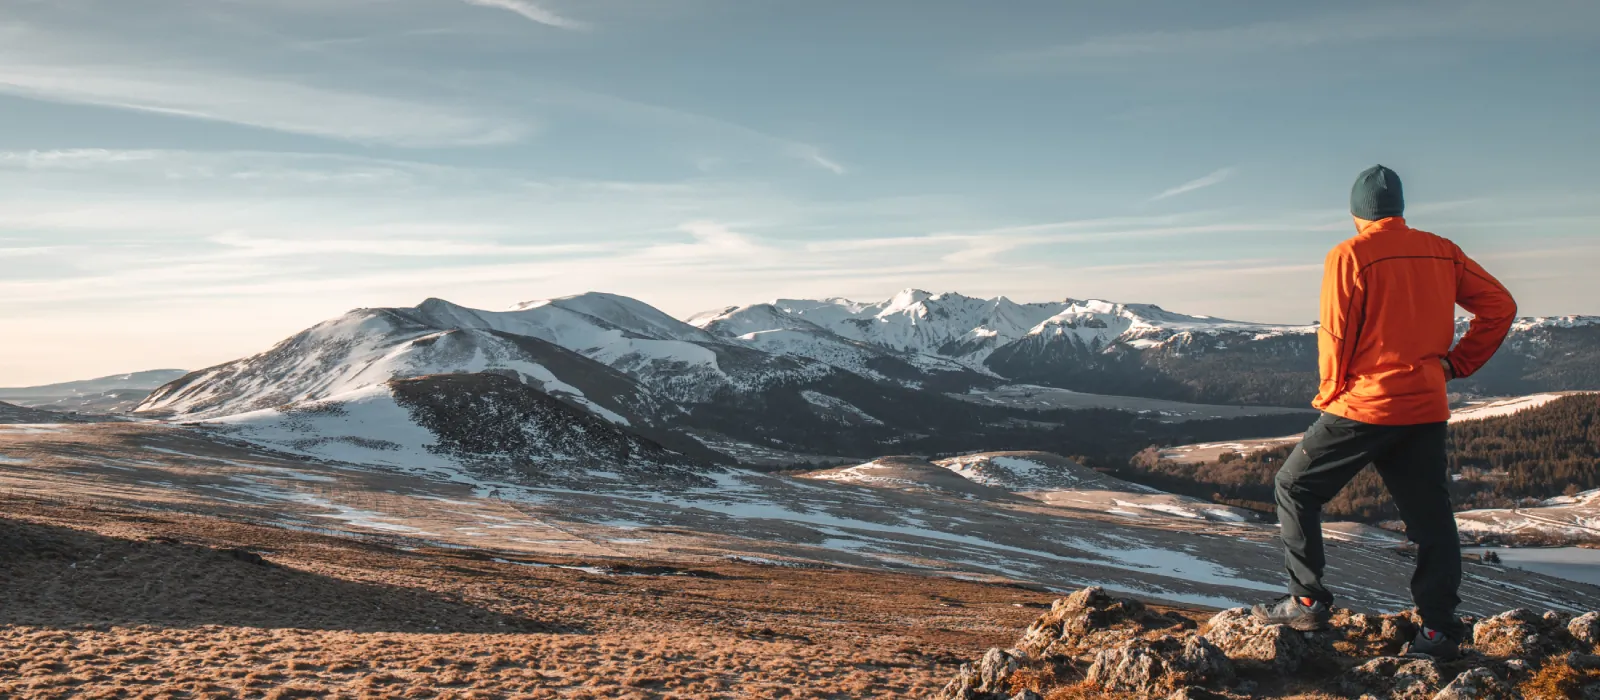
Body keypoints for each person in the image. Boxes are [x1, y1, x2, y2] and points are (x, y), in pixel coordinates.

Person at [1251, 165, 1518, 659]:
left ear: (1356, 213)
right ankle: (1437, 632)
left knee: (1294, 485)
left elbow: (1335, 331)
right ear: (1399, 208)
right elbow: (1500, 305)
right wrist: (1457, 363)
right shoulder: (1443, 250)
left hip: (1367, 405)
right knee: (1432, 520)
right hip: (1426, 406)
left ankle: (1307, 599)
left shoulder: (1350, 254)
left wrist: (1330, 392)